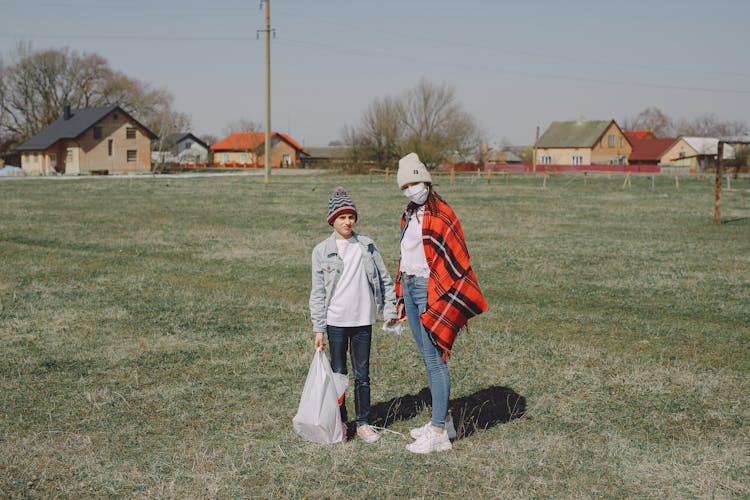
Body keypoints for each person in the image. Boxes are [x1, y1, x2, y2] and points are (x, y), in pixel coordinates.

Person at [395, 152, 488, 454]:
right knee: (428, 358)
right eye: (405, 185)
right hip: (410, 287)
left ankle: (438, 433)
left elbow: (455, 261)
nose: (412, 188)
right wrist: (400, 294)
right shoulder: (409, 214)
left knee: (437, 360)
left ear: (426, 181)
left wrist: (437, 293)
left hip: (429, 290)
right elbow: (405, 256)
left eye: (415, 182)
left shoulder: (442, 214)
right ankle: (443, 419)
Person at [309, 186, 399, 443]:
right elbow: (317, 292)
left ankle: (363, 422)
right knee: (338, 377)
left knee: (362, 375)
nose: (347, 221)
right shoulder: (321, 251)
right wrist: (319, 328)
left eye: (350, 216)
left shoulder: (367, 246)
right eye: (341, 217)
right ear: (332, 221)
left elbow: (384, 280)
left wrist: (390, 310)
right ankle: (341, 423)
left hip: (362, 321)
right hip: (336, 322)